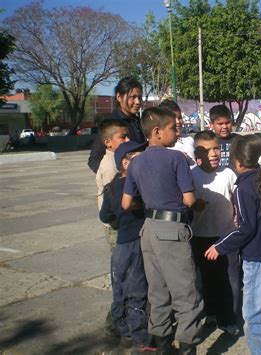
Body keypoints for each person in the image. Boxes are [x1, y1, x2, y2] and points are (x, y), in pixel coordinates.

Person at [122, 107, 204, 355]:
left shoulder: (136, 163)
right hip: (172, 229)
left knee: (158, 293)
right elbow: (189, 200)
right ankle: (188, 348)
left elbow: (126, 203)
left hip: (149, 230)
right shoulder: (176, 158)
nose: (176, 131)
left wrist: (150, 203)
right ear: (157, 132)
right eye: (172, 128)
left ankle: (163, 348)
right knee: (186, 294)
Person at [204, 134, 261, 355]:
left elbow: (245, 229)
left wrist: (220, 246)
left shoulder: (244, 188)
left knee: (253, 316)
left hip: (259, 260)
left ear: (238, 163)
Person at [99, 140, 153, 353]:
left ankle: (125, 333)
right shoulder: (137, 186)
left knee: (120, 288)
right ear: (124, 162)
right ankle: (141, 340)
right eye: (139, 159)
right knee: (137, 290)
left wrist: (119, 221)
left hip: (121, 244)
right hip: (136, 243)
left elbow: (105, 215)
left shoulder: (111, 187)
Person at [190, 130, 239, 335]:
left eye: (216, 148)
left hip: (226, 236)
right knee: (206, 278)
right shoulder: (190, 175)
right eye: (207, 150)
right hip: (200, 236)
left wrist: (238, 216)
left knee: (231, 279)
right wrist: (193, 205)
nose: (213, 154)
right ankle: (210, 313)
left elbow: (238, 200)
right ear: (196, 154)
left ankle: (229, 318)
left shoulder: (229, 173)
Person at [88, 77, 146, 173]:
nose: (138, 102)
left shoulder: (137, 121)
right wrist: (116, 180)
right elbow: (94, 159)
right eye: (133, 97)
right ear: (119, 97)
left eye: (139, 97)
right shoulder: (111, 123)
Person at [96, 118, 130, 250]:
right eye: (123, 137)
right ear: (108, 142)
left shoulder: (118, 160)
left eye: (128, 136)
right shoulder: (110, 166)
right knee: (121, 261)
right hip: (115, 224)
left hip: (119, 222)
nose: (127, 140)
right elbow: (115, 199)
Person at [158, 99, 196, 167]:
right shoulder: (160, 145)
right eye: (173, 118)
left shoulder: (189, 139)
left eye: (179, 117)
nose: (178, 122)